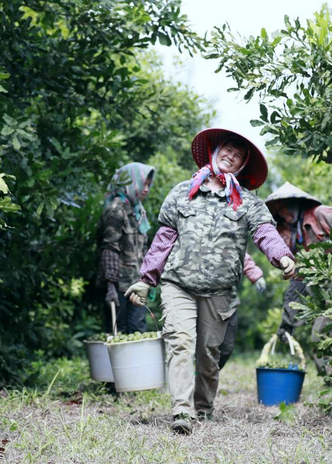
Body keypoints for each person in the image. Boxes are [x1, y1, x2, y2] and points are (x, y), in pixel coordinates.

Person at [124, 128, 295, 435]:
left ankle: (203, 407)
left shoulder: (246, 202)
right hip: (178, 284)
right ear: (216, 151)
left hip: (220, 291)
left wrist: (281, 256)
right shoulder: (181, 192)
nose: (232, 156)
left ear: (242, 165)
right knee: (180, 343)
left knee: (208, 354)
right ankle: (182, 411)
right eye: (228, 149)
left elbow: (264, 233)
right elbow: (163, 239)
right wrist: (146, 279)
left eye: (239, 155)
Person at [266, 182, 332, 374]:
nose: (283, 212)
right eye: (279, 212)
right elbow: (296, 286)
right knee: (321, 337)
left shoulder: (321, 214)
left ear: (296, 203)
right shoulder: (297, 242)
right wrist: (286, 324)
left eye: (285, 206)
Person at [95, 162, 155, 334]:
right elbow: (109, 249)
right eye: (143, 184)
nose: (146, 189)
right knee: (118, 331)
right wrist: (111, 288)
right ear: (131, 182)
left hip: (137, 283)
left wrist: (148, 282)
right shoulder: (115, 210)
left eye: (149, 185)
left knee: (138, 330)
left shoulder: (139, 211)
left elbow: (143, 250)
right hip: (118, 285)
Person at [218, 253, 266, 370]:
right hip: (203, 299)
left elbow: (240, 253)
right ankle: (200, 380)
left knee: (227, 347)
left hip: (229, 303)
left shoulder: (229, 237)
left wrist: (256, 275)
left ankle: (208, 377)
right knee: (206, 347)